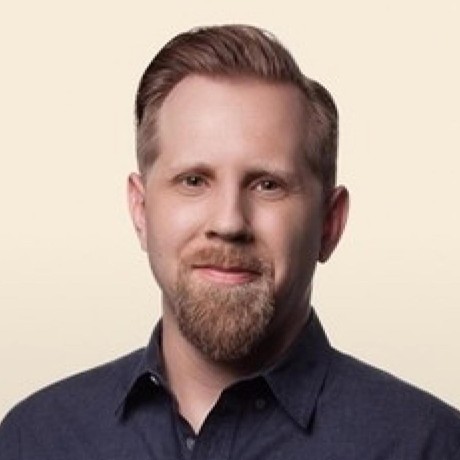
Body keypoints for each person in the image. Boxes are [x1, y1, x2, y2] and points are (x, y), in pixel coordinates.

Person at [1, 24, 459, 459]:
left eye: (267, 185)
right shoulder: (33, 440)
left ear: (329, 223)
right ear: (141, 210)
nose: (229, 222)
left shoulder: (430, 446)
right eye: (194, 180)